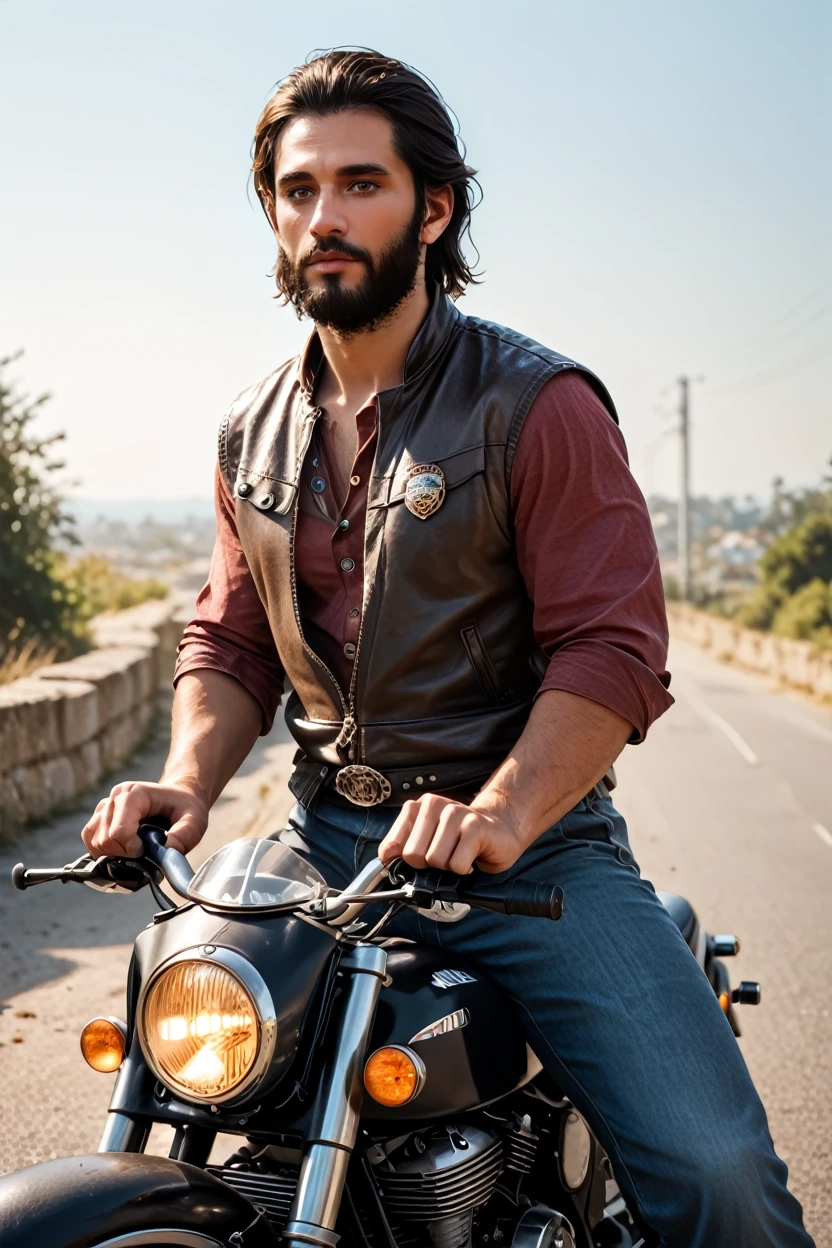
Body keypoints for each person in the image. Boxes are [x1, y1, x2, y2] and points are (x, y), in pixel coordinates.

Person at [82, 49, 812, 1247]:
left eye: (359, 183)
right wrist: (186, 780)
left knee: (718, 1176)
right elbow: (230, 639)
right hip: (321, 846)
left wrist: (502, 813)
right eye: (296, 187)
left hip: (534, 860)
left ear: (432, 207)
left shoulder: (537, 405)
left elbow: (613, 651)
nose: (323, 215)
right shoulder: (249, 429)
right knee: (183, 1079)